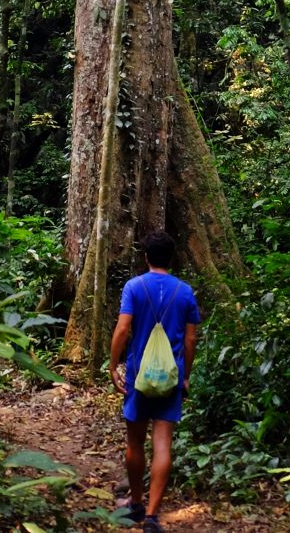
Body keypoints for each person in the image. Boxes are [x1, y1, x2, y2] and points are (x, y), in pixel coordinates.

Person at [109, 228, 200, 533]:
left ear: (146, 257)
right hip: (170, 378)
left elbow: (123, 329)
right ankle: (151, 516)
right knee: (163, 444)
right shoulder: (185, 291)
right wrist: (185, 375)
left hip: (138, 377)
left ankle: (135, 504)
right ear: (171, 258)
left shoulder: (134, 287)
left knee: (135, 441)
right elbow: (190, 340)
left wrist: (112, 366)